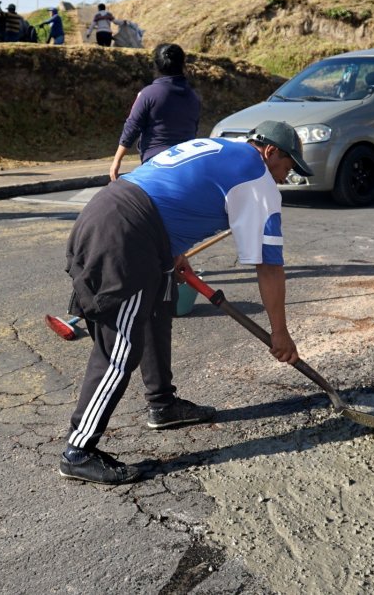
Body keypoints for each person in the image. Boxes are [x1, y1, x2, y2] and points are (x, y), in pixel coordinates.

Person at [60, 120, 314, 484]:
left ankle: (162, 405)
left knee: (158, 310)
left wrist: (175, 249)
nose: (285, 178)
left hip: (113, 212)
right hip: (128, 236)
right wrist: (280, 334)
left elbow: (174, 191)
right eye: (288, 167)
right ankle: (78, 450)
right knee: (120, 348)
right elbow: (269, 268)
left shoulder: (221, 148)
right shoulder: (257, 177)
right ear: (271, 151)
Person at [108, 43, 201, 180]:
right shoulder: (194, 97)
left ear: (156, 66)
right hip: (186, 165)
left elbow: (132, 126)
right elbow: (193, 130)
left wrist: (117, 160)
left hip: (155, 165)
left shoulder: (149, 94)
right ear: (182, 64)